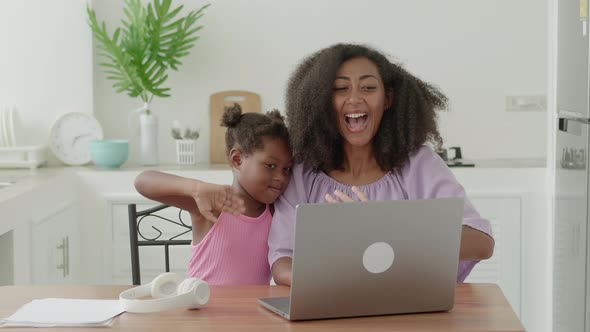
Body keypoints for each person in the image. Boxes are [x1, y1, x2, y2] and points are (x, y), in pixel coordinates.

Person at [268, 43, 495, 286]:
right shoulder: (303, 172)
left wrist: (386, 229)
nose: (355, 98)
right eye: (340, 88)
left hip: (408, 309)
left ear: (387, 98)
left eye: (368, 87)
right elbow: (282, 260)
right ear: (322, 101)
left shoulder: (418, 164)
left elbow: (481, 243)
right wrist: (330, 282)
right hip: (328, 305)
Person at [134, 103, 292, 285]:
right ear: (237, 159)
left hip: (252, 312)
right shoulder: (212, 205)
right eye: (271, 166)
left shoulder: (277, 213)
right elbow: (142, 181)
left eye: (287, 169)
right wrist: (195, 188)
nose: (281, 177)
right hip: (201, 309)